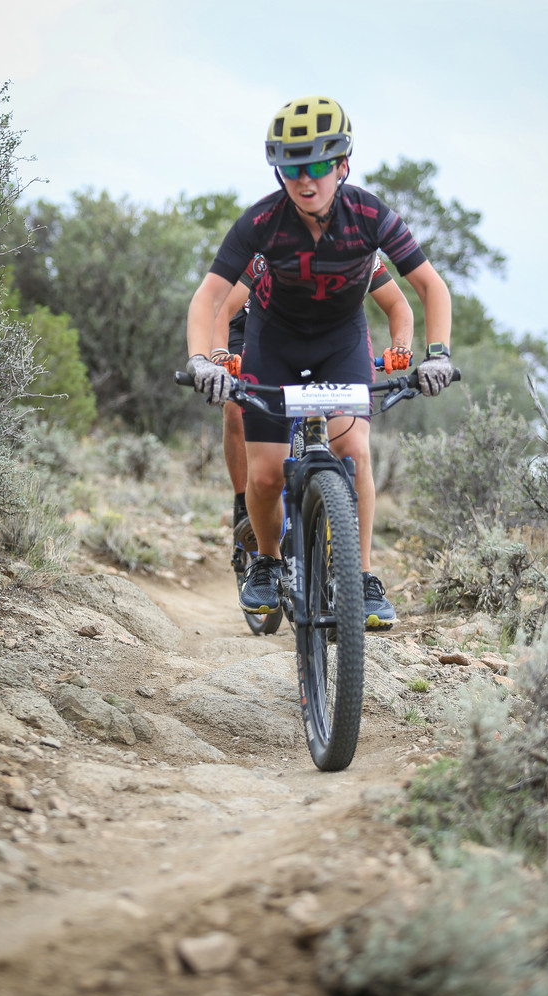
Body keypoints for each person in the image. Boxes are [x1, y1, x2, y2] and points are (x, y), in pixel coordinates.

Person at [185, 95, 452, 629]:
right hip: (273, 344)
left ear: (342, 165)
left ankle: (362, 577)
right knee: (265, 477)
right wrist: (202, 360)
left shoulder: (369, 216)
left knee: (354, 450)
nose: (305, 180)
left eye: (317, 166)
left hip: (340, 344)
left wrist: (438, 354)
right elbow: (209, 297)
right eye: (291, 169)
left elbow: (429, 287)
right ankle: (266, 561)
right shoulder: (262, 221)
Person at [211, 251, 415, 556]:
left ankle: (354, 566)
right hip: (254, 323)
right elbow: (223, 307)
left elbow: (398, 303)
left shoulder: (356, 247)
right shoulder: (271, 247)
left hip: (322, 335)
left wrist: (400, 346)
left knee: (352, 443)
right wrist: (221, 354)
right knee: (236, 406)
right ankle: (245, 505)